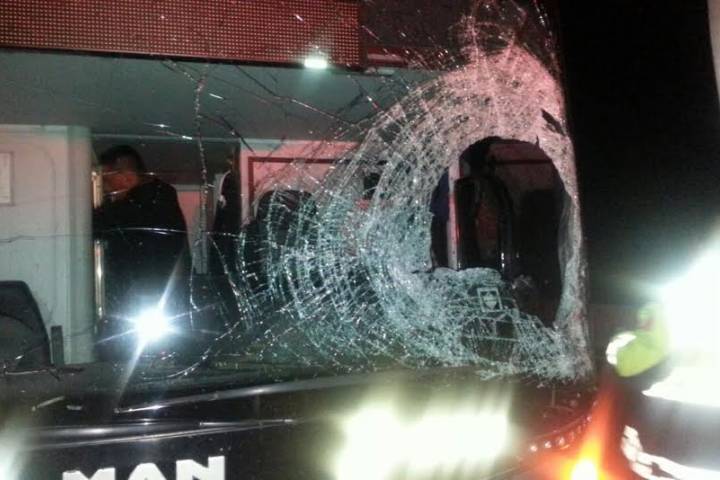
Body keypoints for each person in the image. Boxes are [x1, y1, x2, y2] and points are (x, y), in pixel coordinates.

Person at [93, 145, 190, 356]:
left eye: (108, 180)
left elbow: (91, 224)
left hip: (143, 305)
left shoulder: (139, 205)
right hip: (160, 302)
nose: (106, 188)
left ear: (127, 178)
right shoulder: (160, 199)